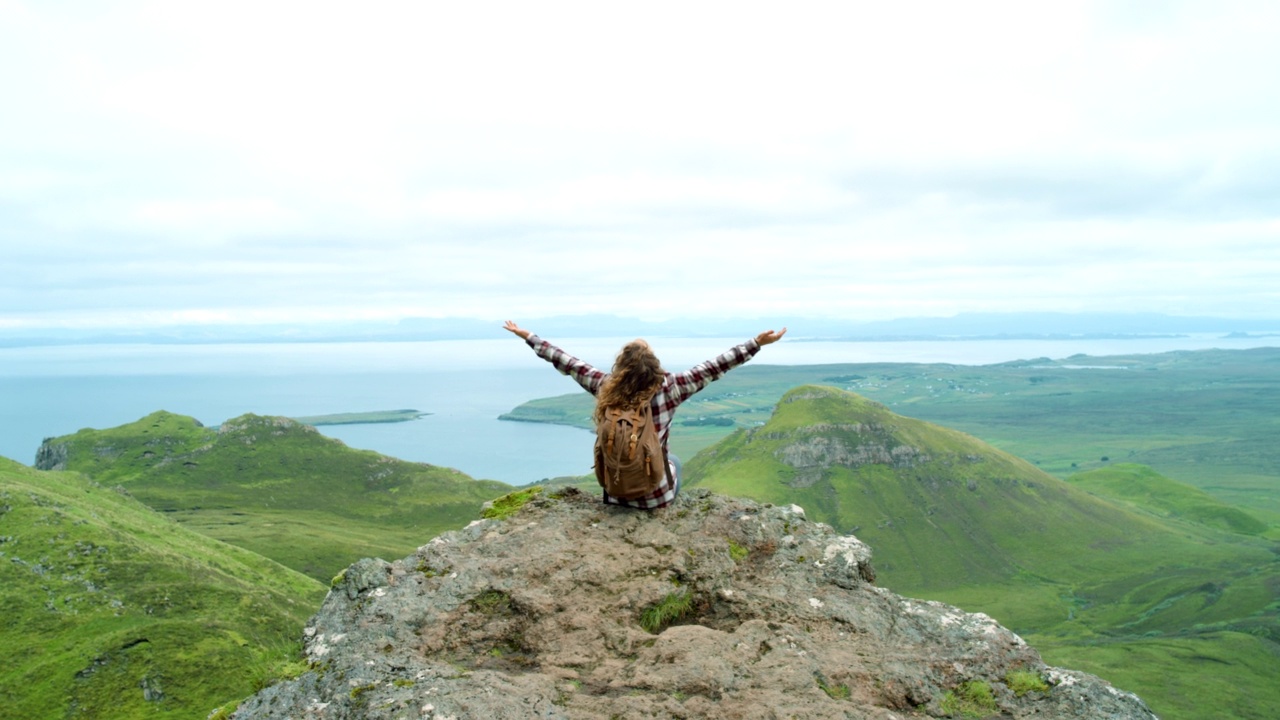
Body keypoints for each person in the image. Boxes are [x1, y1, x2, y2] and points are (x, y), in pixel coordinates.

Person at [503, 320, 787, 509]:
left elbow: (566, 361)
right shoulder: (672, 387)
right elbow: (715, 367)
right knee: (673, 459)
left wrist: (529, 336)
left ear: (621, 367)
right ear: (654, 366)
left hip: (614, 496)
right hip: (656, 498)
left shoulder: (604, 386)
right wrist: (756, 343)